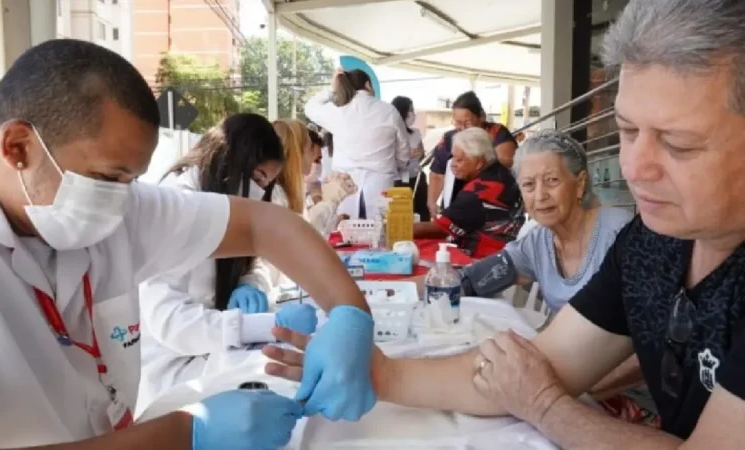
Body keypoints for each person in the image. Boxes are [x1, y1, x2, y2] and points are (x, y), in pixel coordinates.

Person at [264, 0, 745, 446]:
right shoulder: (653, 243)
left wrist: (544, 405)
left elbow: (539, 386)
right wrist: (376, 373)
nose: (633, 168)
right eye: (627, 131)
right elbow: (544, 364)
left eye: (679, 144)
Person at [0, 39, 375, 449]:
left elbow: (268, 226)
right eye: (108, 179)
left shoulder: (114, 208)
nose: (120, 201)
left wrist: (350, 318)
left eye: (131, 181)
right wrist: (184, 435)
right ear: (17, 147)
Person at [137, 114, 320, 410]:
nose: (260, 191)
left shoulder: (220, 202)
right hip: (173, 372)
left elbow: (254, 261)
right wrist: (260, 326)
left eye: (267, 183)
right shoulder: (177, 206)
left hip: (214, 352)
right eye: (258, 178)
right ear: (232, 161)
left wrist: (251, 284)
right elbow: (170, 322)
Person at [460, 129, 633, 312]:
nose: (540, 196)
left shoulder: (620, 233)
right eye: (528, 185)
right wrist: (439, 284)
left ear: (580, 183)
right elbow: (471, 280)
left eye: (552, 180)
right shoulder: (536, 243)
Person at [304, 68, 411, 220]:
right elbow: (403, 151)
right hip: (380, 184)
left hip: (344, 186)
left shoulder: (338, 112)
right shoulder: (389, 111)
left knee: (344, 234)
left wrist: (331, 89)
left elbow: (310, 108)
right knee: (380, 234)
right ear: (368, 85)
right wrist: (396, 166)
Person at [413, 127, 523, 259]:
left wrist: (395, 229)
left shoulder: (478, 191)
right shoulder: (503, 174)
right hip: (509, 251)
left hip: (486, 259)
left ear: (479, 163)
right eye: (453, 158)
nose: (453, 164)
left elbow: (439, 228)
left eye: (459, 160)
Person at [427, 91, 517, 219]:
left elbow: (507, 162)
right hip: (457, 203)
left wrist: (472, 163)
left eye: (467, 123)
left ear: (481, 117)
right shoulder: (449, 138)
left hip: (488, 204)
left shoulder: (497, 133)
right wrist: (432, 202)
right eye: (458, 123)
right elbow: (437, 173)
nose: (463, 128)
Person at [272, 119, 357, 236]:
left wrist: (331, 202)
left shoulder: (291, 190)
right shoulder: (275, 194)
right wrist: (330, 201)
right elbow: (304, 237)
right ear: (296, 151)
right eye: (310, 146)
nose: (313, 155)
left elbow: (312, 228)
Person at [391, 96, 429, 221]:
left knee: (420, 213)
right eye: (410, 110)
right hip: (398, 181)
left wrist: (420, 153)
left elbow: (423, 157)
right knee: (401, 216)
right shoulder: (390, 133)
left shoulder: (416, 133)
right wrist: (405, 154)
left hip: (416, 178)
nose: (413, 114)